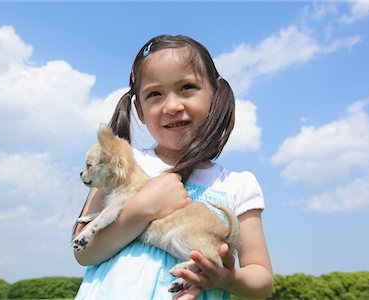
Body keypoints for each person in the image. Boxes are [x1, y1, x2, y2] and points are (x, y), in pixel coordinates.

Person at [73, 34, 273, 300]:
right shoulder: (124, 163)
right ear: (139, 110)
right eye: (154, 94)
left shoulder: (236, 185)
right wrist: (140, 210)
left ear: (215, 95)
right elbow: (83, 251)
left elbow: (261, 279)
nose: (172, 106)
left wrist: (227, 277)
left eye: (187, 87)